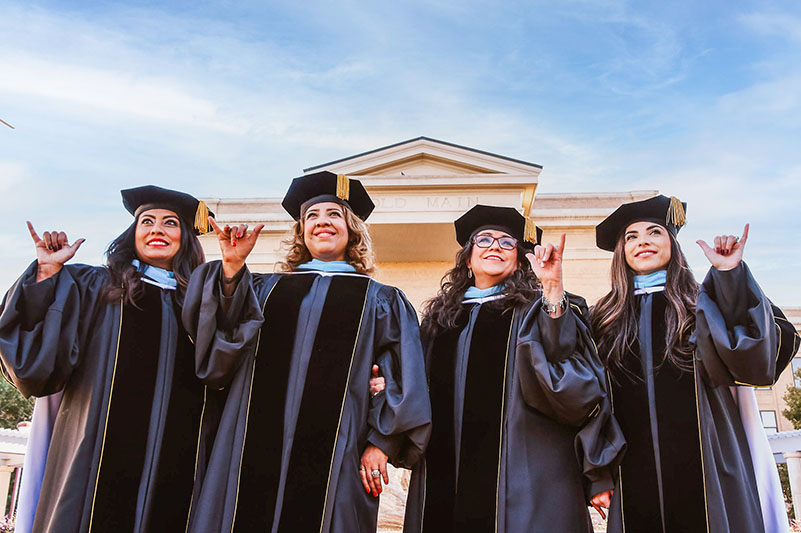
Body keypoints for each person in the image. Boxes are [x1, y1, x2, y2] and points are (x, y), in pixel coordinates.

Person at [183, 171, 431, 532]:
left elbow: (401, 373)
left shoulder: (381, 300)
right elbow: (218, 340)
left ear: (352, 229)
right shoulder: (263, 289)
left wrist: (382, 442)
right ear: (301, 231)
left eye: (334, 214)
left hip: (339, 454)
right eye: (312, 216)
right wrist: (233, 266)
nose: (322, 223)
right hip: (249, 444)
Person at [384, 204, 625, 532]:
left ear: (520, 259)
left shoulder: (539, 310)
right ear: (468, 259)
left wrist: (552, 290)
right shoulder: (438, 323)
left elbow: (574, 377)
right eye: (484, 240)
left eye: (507, 242)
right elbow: (412, 385)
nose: (495, 245)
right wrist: (386, 388)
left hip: (526, 478)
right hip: (446, 473)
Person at [0, 186, 216, 533]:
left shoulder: (200, 305)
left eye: (170, 223)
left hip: (176, 463)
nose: (157, 230)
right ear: (133, 234)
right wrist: (46, 274)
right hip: (94, 455)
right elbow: (37, 349)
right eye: (147, 221)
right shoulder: (96, 285)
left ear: (186, 238)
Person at [591, 194, 800, 533]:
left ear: (672, 243)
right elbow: (589, 401)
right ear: (621, 252)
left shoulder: (701, 303)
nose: (642, 241)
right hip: (630, 474)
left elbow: (756, 353)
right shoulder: (602, 319)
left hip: (709, 468)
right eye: (631, 237)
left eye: (654, 232)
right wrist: (596, 473)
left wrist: (729, 274)